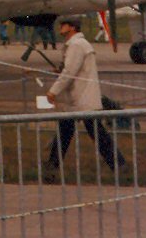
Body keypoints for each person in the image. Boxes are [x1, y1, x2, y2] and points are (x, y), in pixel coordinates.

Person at [43, 16, 125, 181]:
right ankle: (52, 167)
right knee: (67, 133)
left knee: (94, 134)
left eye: (63, 24)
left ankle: (119, 165)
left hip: (82, 99)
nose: (61, 27)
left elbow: (69, 72)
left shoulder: (77, 45)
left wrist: (53, 91)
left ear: (72, 27)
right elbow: (71, 70)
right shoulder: (76, 45)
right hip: (77, 99)